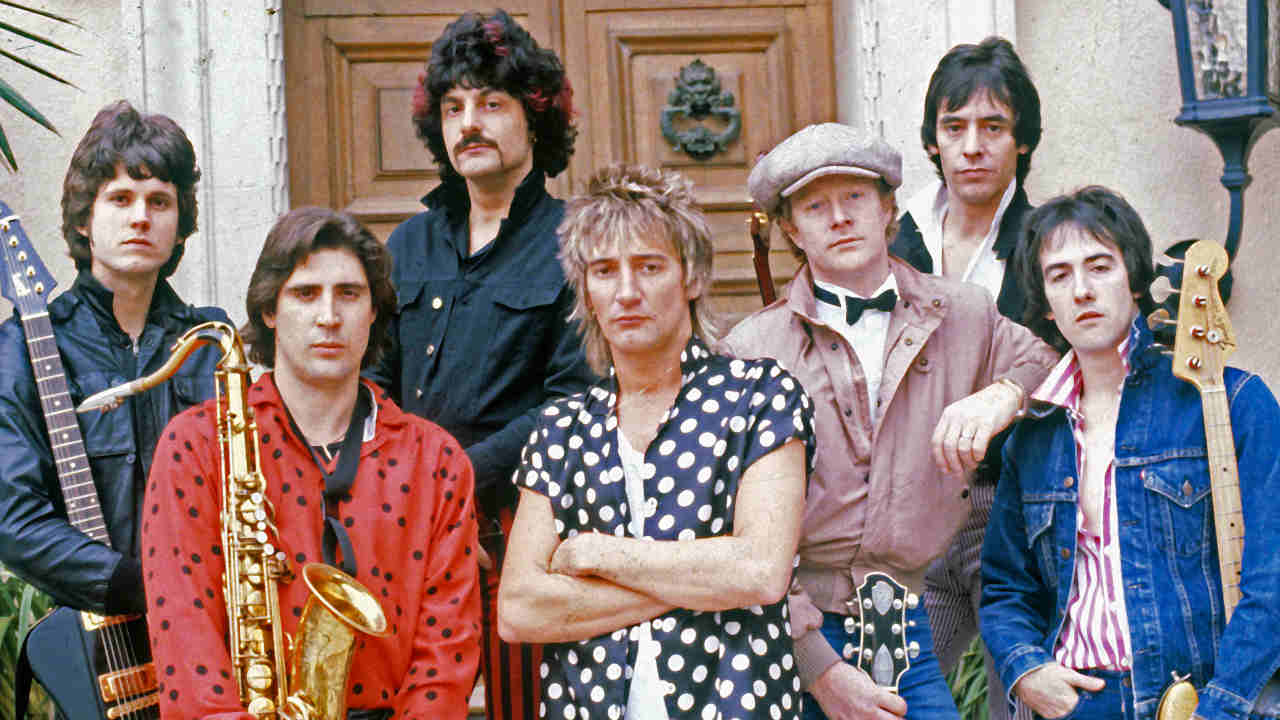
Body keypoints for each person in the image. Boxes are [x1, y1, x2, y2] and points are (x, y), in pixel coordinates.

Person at [722, 123, 1057, 720]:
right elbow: (725, 523)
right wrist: (817, 668)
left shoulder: (964, 312)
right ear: (792, 230)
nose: (839, 218)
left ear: (886, 208)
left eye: (854, 197)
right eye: (815, 207)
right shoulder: (750, 351)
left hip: (904, 625)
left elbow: (1050, 364)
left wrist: (1002, 394)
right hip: (788, 634)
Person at [498, 163, 815, 719]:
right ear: (586, 291)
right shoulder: (561, 429)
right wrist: (700, 581)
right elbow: (520, 610)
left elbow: (761, 571)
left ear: (691, 278)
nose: (626, 292)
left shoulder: (761, 397)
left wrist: (600, 554)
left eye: (649, 266)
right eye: (604, 271)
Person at [141, 207, 481, 718]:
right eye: (305, 294)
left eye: (349, 293)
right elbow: (187, 649)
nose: (329, 316)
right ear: (269, 309)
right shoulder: (197, 447)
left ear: (374, 312)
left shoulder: (437, 461)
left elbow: (445, 660)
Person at [980, 186, 1280, 720]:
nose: (1082, 291)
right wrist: (1028, 671)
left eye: (1100, 267)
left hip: (1202, 702)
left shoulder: (1230, 401)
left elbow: (1272, 577)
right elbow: (1005, 586)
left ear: (1135, 280)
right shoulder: (1034, 437)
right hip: (1077, 702)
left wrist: (1223, 706)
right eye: (1059, 276)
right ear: (1045, 303)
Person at [370, 11, 595, 718]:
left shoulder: (577, 243)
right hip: (399, 526)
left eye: (492, 104)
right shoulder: (405, 245)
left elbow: (572, 401)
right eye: (453, 107)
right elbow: (369, 384)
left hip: (517, 531)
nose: (469, 123)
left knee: (516, 708)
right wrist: (403, 493)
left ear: (535, 116)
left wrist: (452, 485)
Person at [0, 99, 227, 652]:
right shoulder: (24, 346)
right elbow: (12, 515)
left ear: (180, 225)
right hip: (95, 652)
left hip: (213, 635)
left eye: (159, 201)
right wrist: (137, 586)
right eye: (120, 199)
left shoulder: (211, 343)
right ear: (85, 218)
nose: (141, 217)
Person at [888, 36, 1044, 720]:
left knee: (1027, 699)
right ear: (933, 141)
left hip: (1012, 509)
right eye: (955, 128)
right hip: (914, 516)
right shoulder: (892, 242)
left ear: (1022, 141)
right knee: (887, 690)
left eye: (993, 127)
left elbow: (1067, 366)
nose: (972, 147)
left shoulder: (1047, 244)